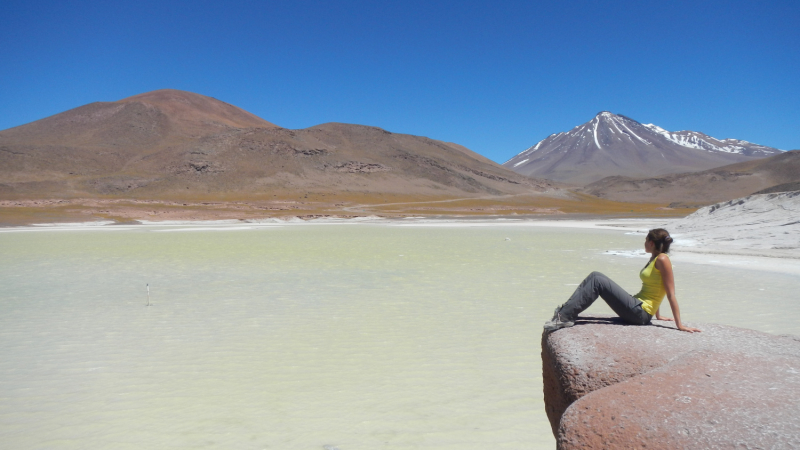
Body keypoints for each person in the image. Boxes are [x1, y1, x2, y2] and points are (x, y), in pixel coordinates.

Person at [543, 228, 701, 333]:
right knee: (593, 277)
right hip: (639, 307)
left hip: (640, 313)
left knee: (597, 279)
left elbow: (670, 293)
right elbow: (655, 287)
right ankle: (564, 313)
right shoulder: (654, 258)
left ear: (651, 243)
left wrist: (679, 325)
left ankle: (563, 318)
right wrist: (658, 315)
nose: (644, 243)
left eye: (646, 240)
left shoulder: (662, 259)